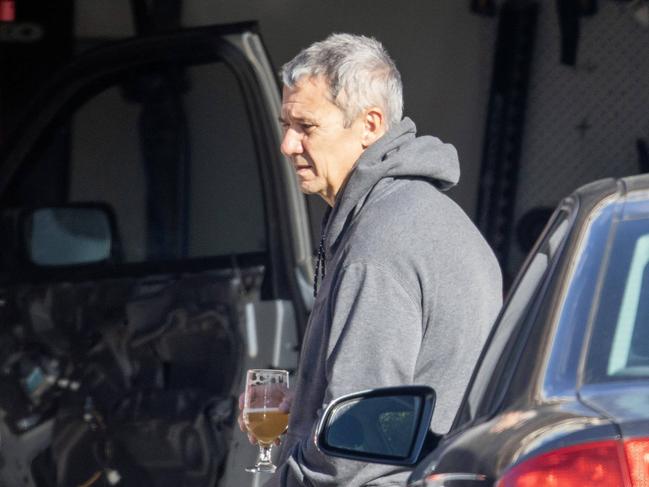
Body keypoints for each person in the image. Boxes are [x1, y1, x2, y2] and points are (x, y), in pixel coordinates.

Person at [241, 33, 503, 486]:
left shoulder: (381, 244)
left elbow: (356, 446)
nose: (287, 144)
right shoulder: (417, 214)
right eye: (286, 124)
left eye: (306, 127)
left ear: (370, 124)